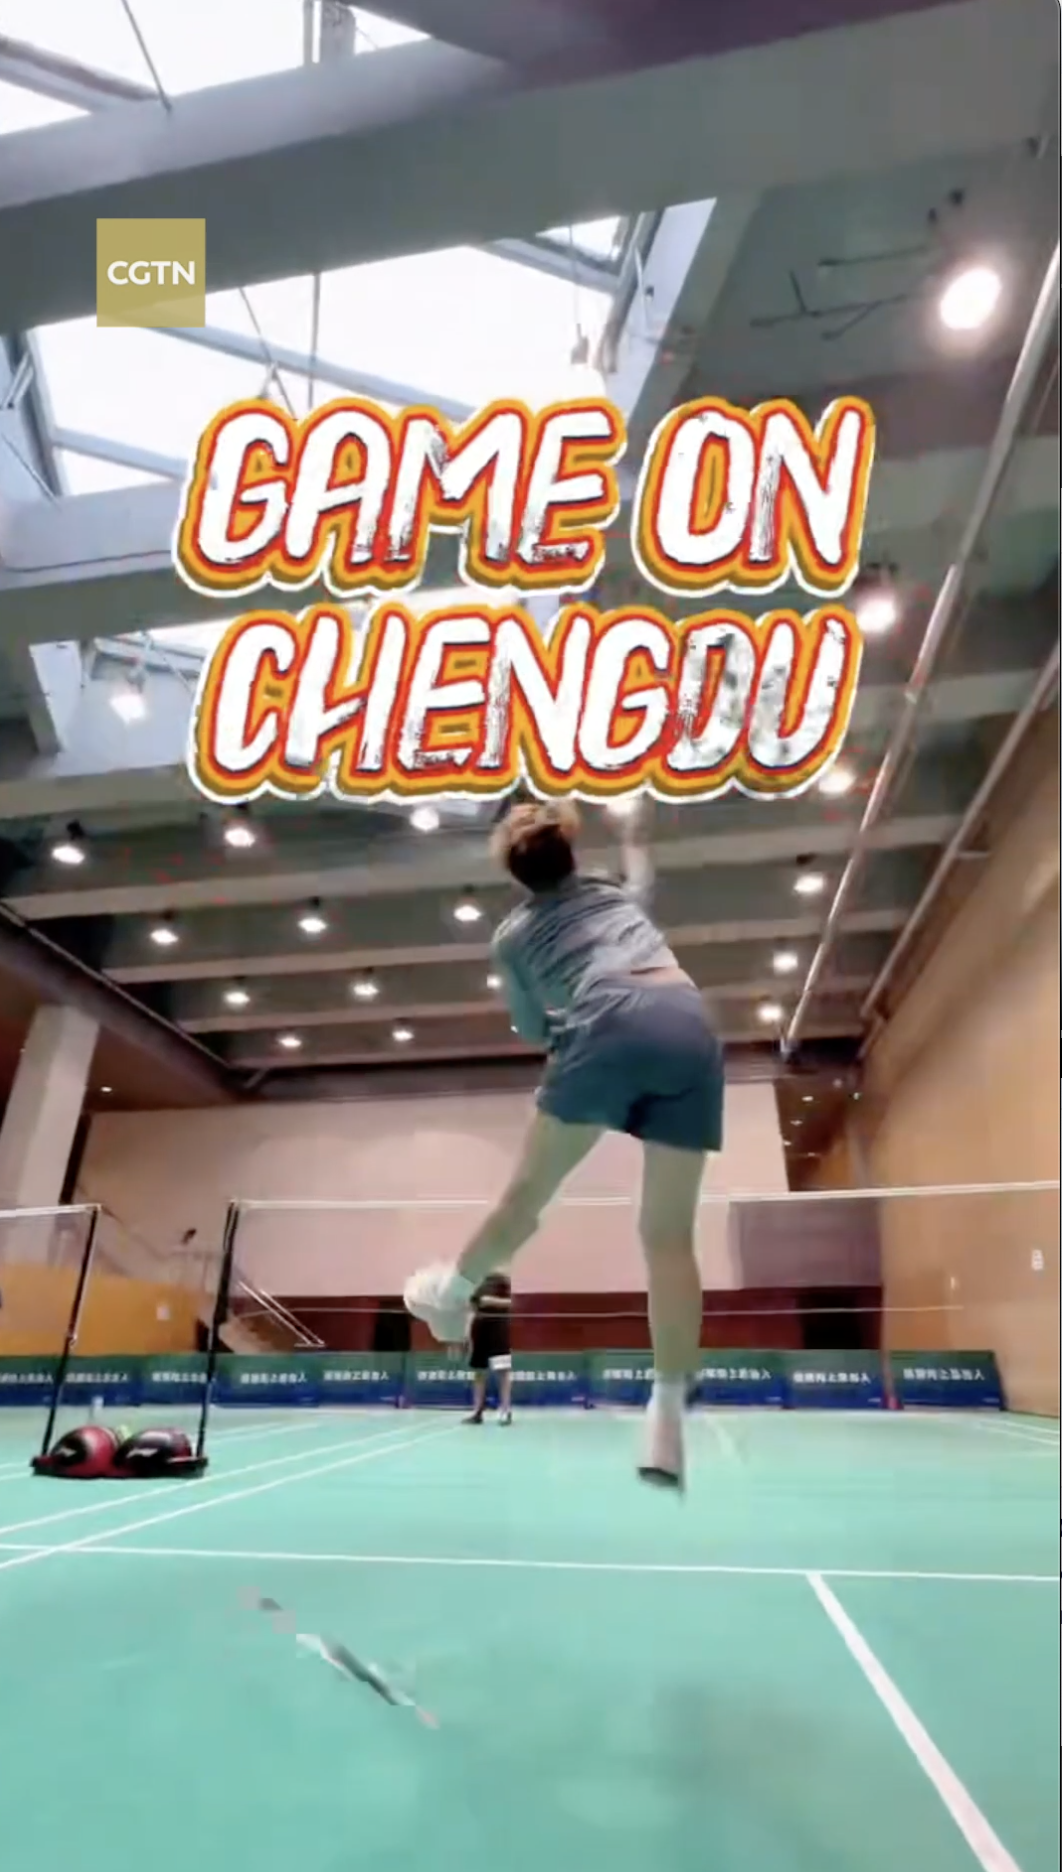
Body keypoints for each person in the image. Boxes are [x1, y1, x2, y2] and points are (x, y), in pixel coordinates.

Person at [405, 799, 723, 1489]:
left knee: (528, 1196)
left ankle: (452, 1294)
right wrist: (634, 831)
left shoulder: (513, 935)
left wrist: (561, 1032)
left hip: (605, 1017)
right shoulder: (609, 891)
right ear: (571, 852)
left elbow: (528, 1028)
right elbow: (644, 884)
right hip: (689, 1021)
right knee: (669, 1236)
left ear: (515, 874)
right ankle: (666, 1418)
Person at [465, 1271, 513, 1426]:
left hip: (498, 1330)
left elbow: (510, 1303)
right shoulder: (478, 1284)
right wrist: (467, 1333)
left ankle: (505, 1411)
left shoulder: (502, 1281)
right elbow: (472, 1307)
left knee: (503, 1371)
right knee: (479, 1372)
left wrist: (489, 1301)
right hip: (479, 1330)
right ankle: (477, 1412)